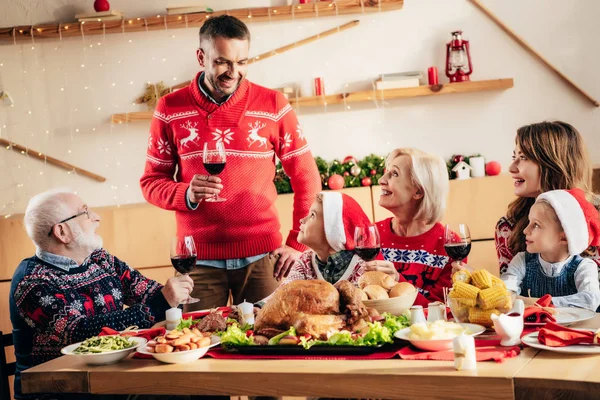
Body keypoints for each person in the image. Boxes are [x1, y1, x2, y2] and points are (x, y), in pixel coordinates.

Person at [139, 15, 321, 311]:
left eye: (242, 62)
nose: (233, 72)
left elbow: (307, 177)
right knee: (196, 344)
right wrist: (186, 193)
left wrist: (297, 243)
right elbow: (151, 182)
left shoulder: (273, 105)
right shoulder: (169, 108)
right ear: (201, 56)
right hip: (196, 261)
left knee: (268, 344)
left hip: (264, 258)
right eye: (222, 62)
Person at [9, 190, 193, 400]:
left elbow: (149, 293)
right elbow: (79, 334)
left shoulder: (100, 259)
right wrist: (161, 304)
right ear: (62, 232)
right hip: (62, 391)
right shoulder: (33, 281)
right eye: (85, 212)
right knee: (173, 393)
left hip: (110, 379)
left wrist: (172, 299)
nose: (97, 217)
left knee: (196, 386)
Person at [495, 121, 599, 275]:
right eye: (514, 156)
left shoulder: (596, 216)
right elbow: (509, 292)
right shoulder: (508, 227)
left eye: (523, 157)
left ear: (553, 164)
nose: (511, 168)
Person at [257, 191, 390, 306]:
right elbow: (284, 292)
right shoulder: (305, 260)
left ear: (334, 231)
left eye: (312, 215)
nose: (302, 220)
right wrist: (258, 307)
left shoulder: (362, 268)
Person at [364, 148, 453, 307]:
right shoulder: (371, 235)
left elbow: (440, 311)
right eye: (387, 172)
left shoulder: (449, 244)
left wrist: (398, 281)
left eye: (395, 174)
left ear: (418, 190)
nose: (381, 180)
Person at [501, 189, 600, 310]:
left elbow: (591, 300)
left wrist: (533, 302)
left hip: (574, 329)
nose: (525, 230)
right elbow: (505, 294)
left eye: (536, 225)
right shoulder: (521, 260)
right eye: (529, 222)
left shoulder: (584, 266)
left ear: (564, 237)